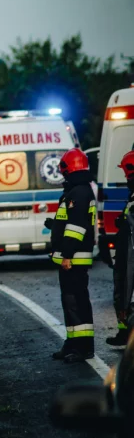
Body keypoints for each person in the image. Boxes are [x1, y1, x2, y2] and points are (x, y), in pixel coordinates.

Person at [47, 148, 97, 363]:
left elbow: (76, 227)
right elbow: (70, 221)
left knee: (77, 302)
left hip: (74, 258)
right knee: (71, 303)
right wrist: (54, 225)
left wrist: (67, 255)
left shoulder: (78, 193)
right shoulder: (78, 191)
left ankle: (83, 348)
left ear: (67, 169)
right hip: (72, 258)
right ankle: (73, 343)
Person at [108, 151, 134, 346]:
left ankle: (128, 334)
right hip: (125, 254)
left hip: (129, 257)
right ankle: (124, 333)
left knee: (125, 293)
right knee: (122, 293)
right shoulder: (132, 196)